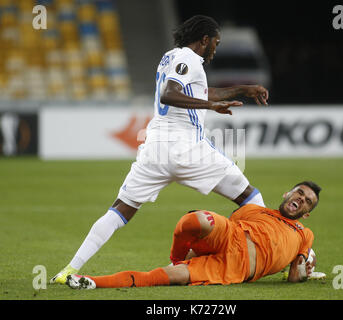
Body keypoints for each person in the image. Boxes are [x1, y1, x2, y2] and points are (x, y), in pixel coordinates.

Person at [50, 15, 269, 284]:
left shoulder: (171, 57)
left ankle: (69, 269)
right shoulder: (189, 59)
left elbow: (198, 91)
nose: (216, 48)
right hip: (188, 149)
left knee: (120, 210)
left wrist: (242, 89)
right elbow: (170, 93)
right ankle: (277, 254)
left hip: (155, 150)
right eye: (216, 42)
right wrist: (210, 107)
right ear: (205, 39)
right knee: (250, 197)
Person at [66, 181, 322, 289]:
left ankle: (91, 281)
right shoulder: (254, 210)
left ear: (307, 213)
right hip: (232, 235)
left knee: (166, 277)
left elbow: (293, 277)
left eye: (308, 201)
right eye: (299, 192)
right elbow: (216, 234)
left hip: (233, 269)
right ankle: (176, 257)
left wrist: (305, 271)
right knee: (196, 219)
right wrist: (191, 252)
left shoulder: (304, 234)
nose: (301, 199)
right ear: (286, 194)